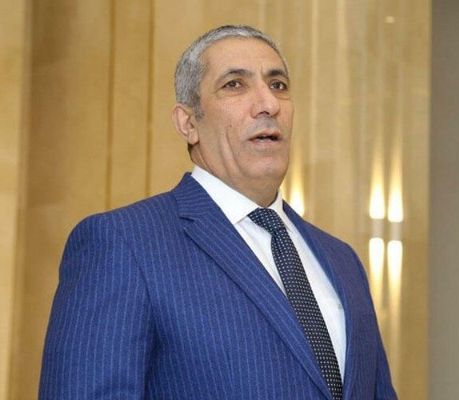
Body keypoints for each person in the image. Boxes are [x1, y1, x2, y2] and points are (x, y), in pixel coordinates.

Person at [39, 25, 397, 400]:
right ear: (188, 122)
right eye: (234, 85)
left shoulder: (342, 260)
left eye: (278, 85)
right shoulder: (123, 243)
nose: (268, 104)